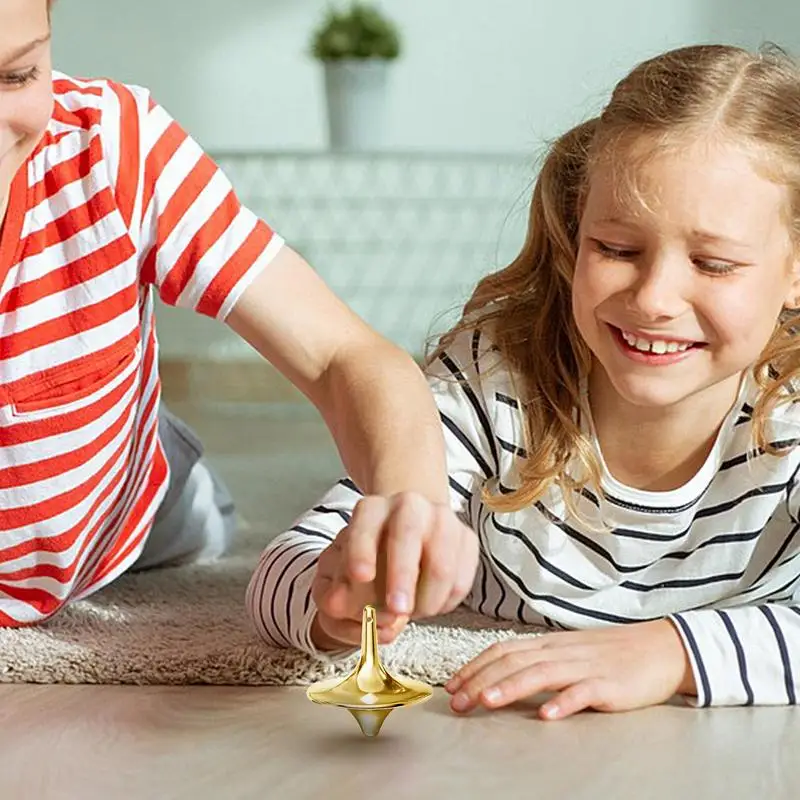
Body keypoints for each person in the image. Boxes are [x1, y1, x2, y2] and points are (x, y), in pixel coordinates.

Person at [249, 42, 800, 720]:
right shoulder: (496, 380)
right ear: (575, 233)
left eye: (714, 264)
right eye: (616, 249)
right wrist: (335, 598)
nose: (655, 297)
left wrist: (670, 653)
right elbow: (283, 567)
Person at [0, 0, 472, 625]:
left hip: (127, 506)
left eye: (17, 75)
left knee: (191, 505)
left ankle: (161, 455)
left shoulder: (113, 148)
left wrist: (412, 504)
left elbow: (341, 355)